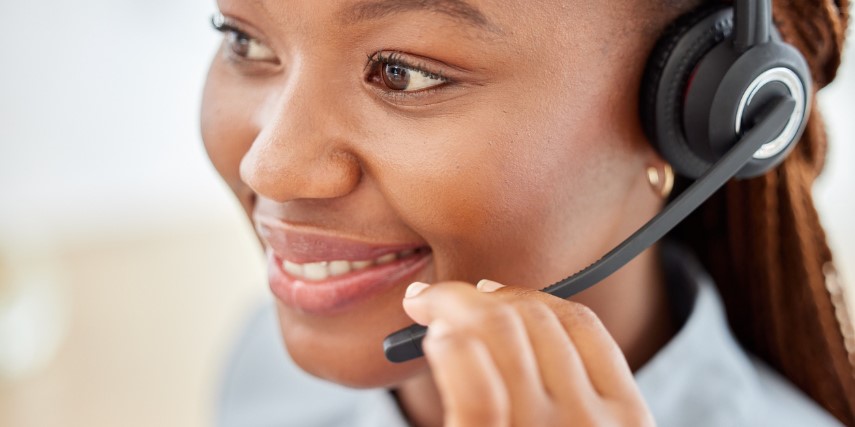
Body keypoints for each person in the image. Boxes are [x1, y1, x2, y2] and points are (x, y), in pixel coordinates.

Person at [200, 0, 855, 425]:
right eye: (245, 41)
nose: (270, 166)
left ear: (703, 115)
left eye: (403, 72)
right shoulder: (267, 370)